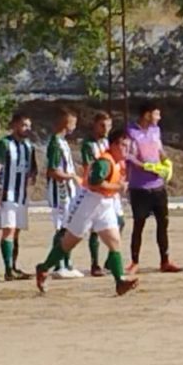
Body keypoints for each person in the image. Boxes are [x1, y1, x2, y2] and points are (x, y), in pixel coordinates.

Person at [34, 128, 140, 296]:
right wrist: (119, 187)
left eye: (128, 146)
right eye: (123, 145)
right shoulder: (104, 162)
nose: (127, 149)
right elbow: (95, 183)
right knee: (70, 242)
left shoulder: (118, 162)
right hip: (88, 202)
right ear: (113, 145)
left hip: (105, 203)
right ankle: (44, 268)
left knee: (114, 242)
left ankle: (120, 281)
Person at [127, 101, 182, 274]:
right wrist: (145, 166)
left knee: (163, 223)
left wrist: (166, 161)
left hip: (158, 186)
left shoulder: (155, 130)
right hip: (140, 187)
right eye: (156, 114)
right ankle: (134, 261)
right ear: (147, 114)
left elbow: (160, 149)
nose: (159, 118)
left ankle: (165, 260)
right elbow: (129, 156)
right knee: (139, 224)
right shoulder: (131, 132)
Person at [42, 109, 84, 280]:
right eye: (73, 123)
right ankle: (59, 265)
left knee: (68, 227)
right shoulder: (55, 144)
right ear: (66, 123)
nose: (74, 127)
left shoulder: (63, 142)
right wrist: (72, 176)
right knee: (61, 228)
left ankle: (66, 263)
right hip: (60, 192)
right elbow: (53, 171)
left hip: (68, 191)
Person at [0, 112, 37, 280]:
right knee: (9, 230)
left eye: (28, 126)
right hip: (7, 194)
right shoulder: (4, 144)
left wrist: (32, 177)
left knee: (17, 231)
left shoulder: (28, 146)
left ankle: (13, 266)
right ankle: (7, 269)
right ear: (14, 125)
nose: (27, 129)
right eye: (23, 125)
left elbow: (33, 169)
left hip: (21, 195)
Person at [80, 112, 119, 276]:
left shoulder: (108, 143)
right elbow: (88, 168)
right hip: (96, 190)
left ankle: (111, 260)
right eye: (102, 125)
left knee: (119, 222)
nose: (106, 129)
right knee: (93, 229)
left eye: (108, 126)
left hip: (111, 189)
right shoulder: (88, 145)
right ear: (95, 125)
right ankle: (95, 263)